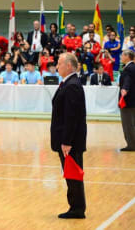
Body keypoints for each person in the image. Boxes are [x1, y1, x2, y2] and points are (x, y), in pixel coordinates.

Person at [51, 52, 87, 219]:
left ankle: (77, 208)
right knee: (70, 173)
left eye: (59, 63)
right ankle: (75, 206)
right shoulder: (67, 83)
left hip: (70, 141)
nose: (57, 66)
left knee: (73, 174)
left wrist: (66, 141)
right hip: (68, 139)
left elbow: (71, 117)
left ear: (69, 66)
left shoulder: (72, 85)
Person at [119, 50, 135, 151]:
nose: (121, 57)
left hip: (127, 101)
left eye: (122, 55)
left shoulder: (128, 69)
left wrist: (125, 88)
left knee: (128, 123)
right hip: (133, 100)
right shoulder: (133, 67)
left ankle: (131, 145)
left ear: (127, 56)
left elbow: (128, 80)